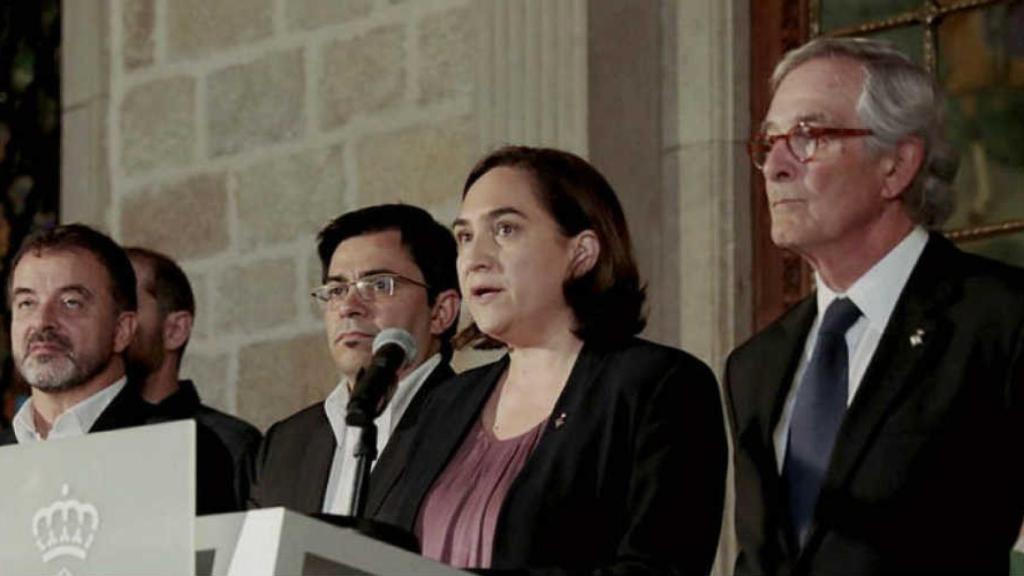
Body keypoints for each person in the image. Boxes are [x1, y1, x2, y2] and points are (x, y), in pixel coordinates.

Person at [727, 37, 1024, 575]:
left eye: (807, 136)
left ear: (896, 163)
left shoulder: (1001, 319)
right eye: (768, 143)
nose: (774, 167)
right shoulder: (755, 366)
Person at [373, 146, 727, 574]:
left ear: (582, 253)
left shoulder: (660, 385)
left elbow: (661, 567)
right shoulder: (446, 401)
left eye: (505, 229)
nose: (475, 258)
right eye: (464, 236)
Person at [0, 224, 236, 514]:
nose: (42, 321)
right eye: (26, 303)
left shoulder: (179, 452)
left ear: (122, 330)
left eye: (70, 302)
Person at [248, 204, 461, 517]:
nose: (348, 306)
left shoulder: (475, 421)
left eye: (379, 284)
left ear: (441, 312)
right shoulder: (284, 445)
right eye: (336, 290)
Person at [125, 246, 262, 509]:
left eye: (127, 305)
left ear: (176, 329)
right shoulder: (79, 434)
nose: (113, 321)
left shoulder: (233, 443)